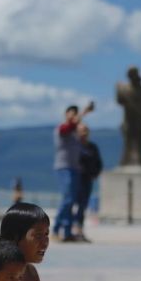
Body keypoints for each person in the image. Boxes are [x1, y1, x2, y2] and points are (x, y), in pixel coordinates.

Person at [53, 103, 94, 242]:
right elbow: (68, 127)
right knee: (68, 200)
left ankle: (67, 232)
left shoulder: (76, 133)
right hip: (65, 168)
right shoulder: (62, 129)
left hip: (75, 169)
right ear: (66, 114)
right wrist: (84, 112)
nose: (74, 116)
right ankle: (56, 229)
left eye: (76, 114)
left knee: (72, 202)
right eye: (72, 113)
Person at [73, 123, 103, 242]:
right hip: (75, 179)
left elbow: (99, 162)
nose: (83, 133)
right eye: (81, 130)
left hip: (88, 179)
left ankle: (79, 230)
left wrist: (95, 173)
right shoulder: (74, 146)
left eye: (85, 130)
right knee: (72, 204)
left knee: (83, 205)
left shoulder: (92, 147)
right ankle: (70, 229)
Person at [115, 67, 141, 166]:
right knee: (127, 143)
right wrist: (118, 91)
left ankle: (138, 161)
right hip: (128, 120)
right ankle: (126, 162)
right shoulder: (124, 88)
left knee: (139, 143)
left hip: (139, 121)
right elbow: (120, 101)